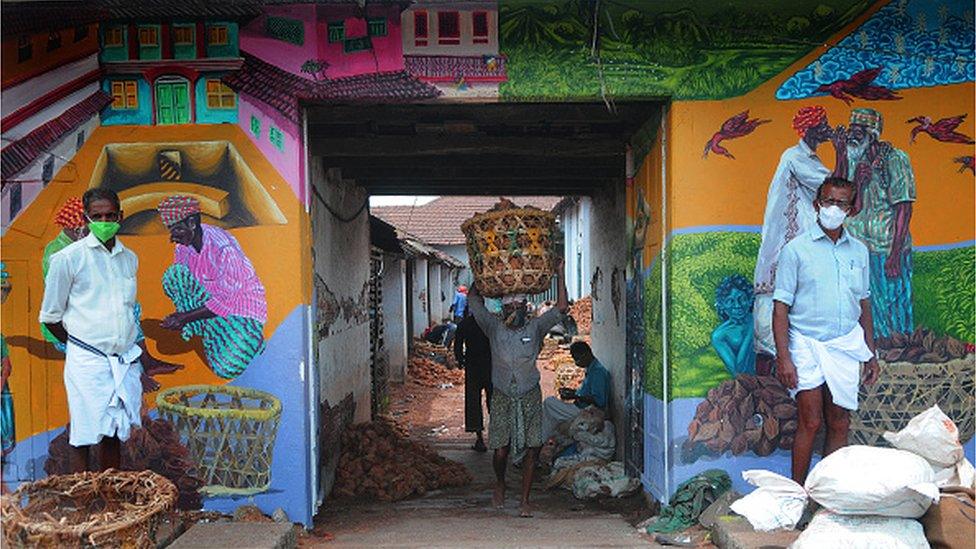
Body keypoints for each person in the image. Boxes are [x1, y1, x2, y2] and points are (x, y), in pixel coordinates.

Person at [39, 188, 178, 473]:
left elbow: (126, 310)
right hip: (87, 359)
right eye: (97, 215)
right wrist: (81, 346)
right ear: (85, 218)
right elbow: (51, 317)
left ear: (120, 217)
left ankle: (110, 499)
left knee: (115, 430)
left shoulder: (129, 259)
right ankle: (83, 501)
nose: (104, 220)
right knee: (84, 432)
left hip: (123, 360)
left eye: (110, 215)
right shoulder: (67, 259)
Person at [772, 177, 879, 484]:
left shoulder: (859, 252)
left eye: (841, 203)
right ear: (817, 204)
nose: (834, 208)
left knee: (840, 422)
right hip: (805, 344)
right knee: (811, 420)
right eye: (828, 201)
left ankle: (828, 497)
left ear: (851, 209)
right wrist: (784, 358)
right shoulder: (796, 250)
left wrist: (870, 354)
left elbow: (864, 304)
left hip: (845, 344)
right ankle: (797, 494)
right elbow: (780, 308)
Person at [468, 260, 568, 518]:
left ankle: (525, 499)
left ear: (526, 307)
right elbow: (474, 303)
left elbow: (561, 308)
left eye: (518, 306)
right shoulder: (493, 327)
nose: (514, 310)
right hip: (502, 393)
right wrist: (480, 274)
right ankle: (500, 483)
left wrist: (560, 272)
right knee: (500, 449)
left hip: (529, 394)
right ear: (503, 308)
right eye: (509, 306)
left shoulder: (535, 328)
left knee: (533, 449)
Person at [754, 106, 833, 371]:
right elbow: (834, 187)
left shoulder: (811, 160)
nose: (828, 129)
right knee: (775, 305)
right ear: (811, 129)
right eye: (823, 124)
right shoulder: (794, 157)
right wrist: (842, 150)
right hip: (786, 245)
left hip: (800, 246)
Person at [157, 196, 267, 379]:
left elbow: (228, 300)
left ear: (192, 223)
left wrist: (185, 317)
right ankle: (204, 329)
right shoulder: (183, 247)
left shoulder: (224, 248)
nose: (172, 237)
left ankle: (251, 336)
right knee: (174, 276)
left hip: (240, 312)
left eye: (177, 229)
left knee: (226, 369)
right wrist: (184, 317)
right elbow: (187, 284)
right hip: (211, 307)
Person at [836, 108, 916, 339]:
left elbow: (904, 208)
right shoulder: (854, 159)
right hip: (858, 249)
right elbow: (851, 208)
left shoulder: (895, 159)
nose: (852, 135)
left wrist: (895, 253)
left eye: (858, 131)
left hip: (887, 247)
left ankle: (898, 349)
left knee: (894, 305)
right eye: (851, 130)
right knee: (865, 307)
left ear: (872, 134)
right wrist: (857, 180)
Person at [541, 341, 611, 442]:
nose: (576, 363)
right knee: (551, 416)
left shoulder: (597, 372)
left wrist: (575, 396)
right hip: (580, 406)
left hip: (587, 412)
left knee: (549, 403)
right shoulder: (591, 369)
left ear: (586, 354)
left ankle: (541, 441)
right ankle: (545, 439)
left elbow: (599, 401)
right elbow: (586, 393)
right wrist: (572, 392)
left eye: (577, 359)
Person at [453, 309, 492, 452]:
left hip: (473, 367)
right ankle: (499, 437)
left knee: (473, 401)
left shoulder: (465, 324)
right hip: (490, 366)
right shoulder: (489, 323)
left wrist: (461, 360)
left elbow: (458, 347)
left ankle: (480, 439)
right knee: (494, 401)